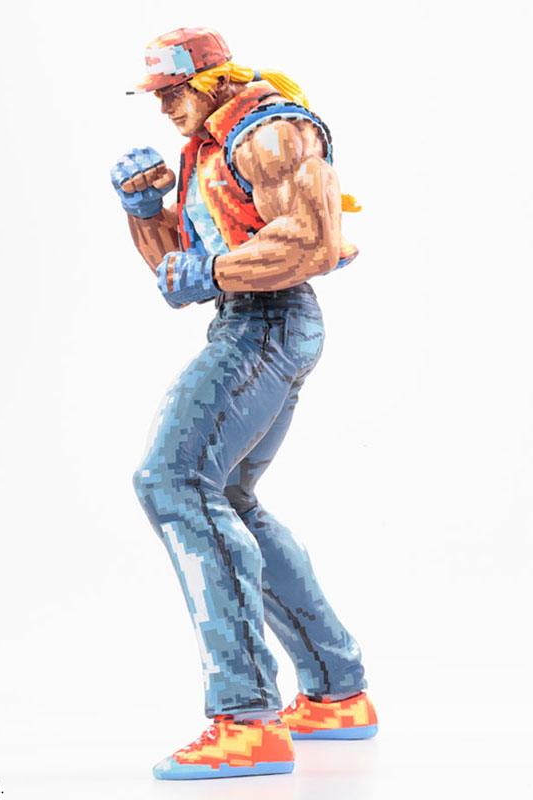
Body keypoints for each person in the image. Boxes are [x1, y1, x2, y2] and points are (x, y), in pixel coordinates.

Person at [111, 28, 378, 781]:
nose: (165, 108)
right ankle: (336, 691)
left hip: (270, 323)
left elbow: (312, 242)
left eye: (173, 92)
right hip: (247, 320)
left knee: (172, 480)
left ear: (216, 81)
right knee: (225, 496)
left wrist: (217, 270)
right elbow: (178, 275)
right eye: (158, 96)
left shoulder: (271, 133)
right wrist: (144, 209)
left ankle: (247, 720)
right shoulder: (207, 147)